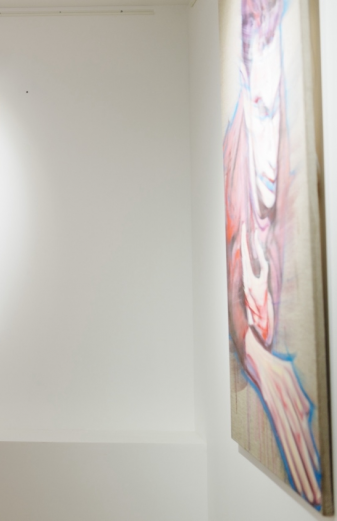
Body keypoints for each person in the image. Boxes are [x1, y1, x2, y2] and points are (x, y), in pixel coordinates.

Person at [224, 0, 321, 508]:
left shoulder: (297, 157)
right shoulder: (234, 155)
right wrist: (255, 352)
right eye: (261, 111)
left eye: (275, 112)